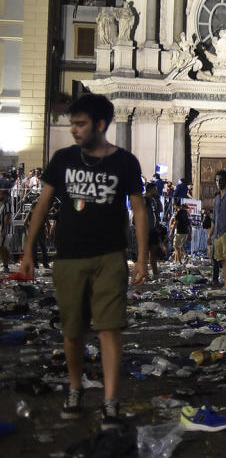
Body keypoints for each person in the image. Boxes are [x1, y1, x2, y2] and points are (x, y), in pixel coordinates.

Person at [19, 93, 149, 430]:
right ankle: (75, 388)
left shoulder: (124, 162)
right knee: (73, 332)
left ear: (100, 125)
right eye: (72, 123)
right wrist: (29, 251)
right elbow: (43, 205)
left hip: (110, 256)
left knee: (110, 330)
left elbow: (138, 209)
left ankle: (110, 401)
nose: (74, 130)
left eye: (80, 124)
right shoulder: (62, 159)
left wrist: (142, 259)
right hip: (69, 258)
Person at [144, 183, 164, 279]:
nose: (156, 191)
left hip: (154, 229)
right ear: (150, 189)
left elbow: (160, 209)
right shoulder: (144, 199)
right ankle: (145, 274)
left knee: (153, 251)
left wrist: (158, 199)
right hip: (145, 229)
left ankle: (155, 273)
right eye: (155, 189)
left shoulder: (154, 200)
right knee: (145, 252)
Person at [169, 201, 191, 267]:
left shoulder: (178, 213)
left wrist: (171, 231)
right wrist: (190, 234)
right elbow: (188, 223)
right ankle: (178, 260)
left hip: (180, 231)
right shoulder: (185, 212)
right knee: (179, 246)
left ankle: (179, 262)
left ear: (176, 206)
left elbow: (175, 222)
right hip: (185, 232)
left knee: (176, 246)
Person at [0, 189, 11, 272]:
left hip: (5, 229)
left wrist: (4, 229)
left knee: (3, 248)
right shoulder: (4, 204)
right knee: (3, 248)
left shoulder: (8, 204)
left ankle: (6, 266)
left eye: (2, 194)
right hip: (3, 229)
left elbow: (8, 216)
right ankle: (5, 264)